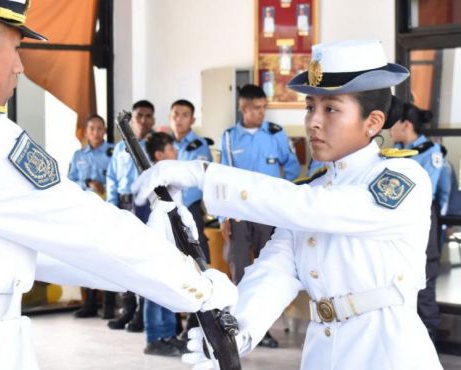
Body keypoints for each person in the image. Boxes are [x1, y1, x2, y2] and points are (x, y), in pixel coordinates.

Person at [0, 2, 237, 369]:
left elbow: (24, 251)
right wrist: (200, 288)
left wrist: (153, 255)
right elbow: (87, 226)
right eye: (16, 48)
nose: (19, 66)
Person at [133, 39, 443, 369]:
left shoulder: (402, 177)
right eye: (310, 107)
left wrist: (205, 175)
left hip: (386, 352)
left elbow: (312, 207)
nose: (313, 121)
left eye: (331, 109)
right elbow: (276, 269)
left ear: (373, 122)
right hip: (323, 353)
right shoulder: (317, 187)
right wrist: (237, 331)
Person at [220, 83, 300, 348]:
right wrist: (224, 216)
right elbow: (224, 178)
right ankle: (238, 328)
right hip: (240, 215)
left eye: (264, 108)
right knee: (240, 269)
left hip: (269, 213)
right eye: (256, 108)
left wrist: (278, 198)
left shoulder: (276, 135)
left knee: (269, 269)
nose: (262, 113)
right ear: (244, 108)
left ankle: (262, 329)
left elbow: (292, 167)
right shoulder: (230, 137)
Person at [388, 101, 449, 343]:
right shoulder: (392, 150)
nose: (389, 129)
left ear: (405, 125)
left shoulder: (429, 152)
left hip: (421, 215)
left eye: (393, 124)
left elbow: (428, 191)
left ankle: (429, 338)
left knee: (424, 276)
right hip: (394, 218)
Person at [105, 100, 155, 332]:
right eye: (139, 116)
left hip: (146, 206)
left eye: (148, 116)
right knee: (125, 259)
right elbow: (112, 178)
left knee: (145, 259)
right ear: (132, 118)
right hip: (124, 205)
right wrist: (112, 205)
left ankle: (143, 313)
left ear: (153, 120)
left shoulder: (154, 145)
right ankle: (127, 309)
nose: (143, 120)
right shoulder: (119, 148)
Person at [140, 131, 190, 356]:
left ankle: (169, 335)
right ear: (160, 154)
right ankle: (153, 338)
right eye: (171, 149)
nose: (176, 152)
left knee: (170, 288)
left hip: (172, 242)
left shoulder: (169, 174)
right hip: (155, 242)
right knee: (154, 290)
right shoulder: (153, 177)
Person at [169, 99, 215, 340]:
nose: (179, 118)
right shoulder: (163, 143)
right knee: (169, 264)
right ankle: (174, 321)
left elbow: (201, 180)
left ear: (192, 119)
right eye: (175, 114)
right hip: (167, 212)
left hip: (191, 210)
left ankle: (195, 323)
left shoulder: (199, 146)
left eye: (184, 114)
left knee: (196, 263)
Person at [68, 114, 116, 319]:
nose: (95, 133)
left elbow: (118, 179)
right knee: (85, 257)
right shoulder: (78, 155)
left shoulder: (113, 152)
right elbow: (69, 183)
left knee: (109, 258)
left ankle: (109, 305)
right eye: (92, 129)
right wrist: (85, 185)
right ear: (86, 132)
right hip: (84, 212)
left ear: (104, 131)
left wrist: (102, 186)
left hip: (106, 211)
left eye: (99, 129)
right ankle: (88, 303)